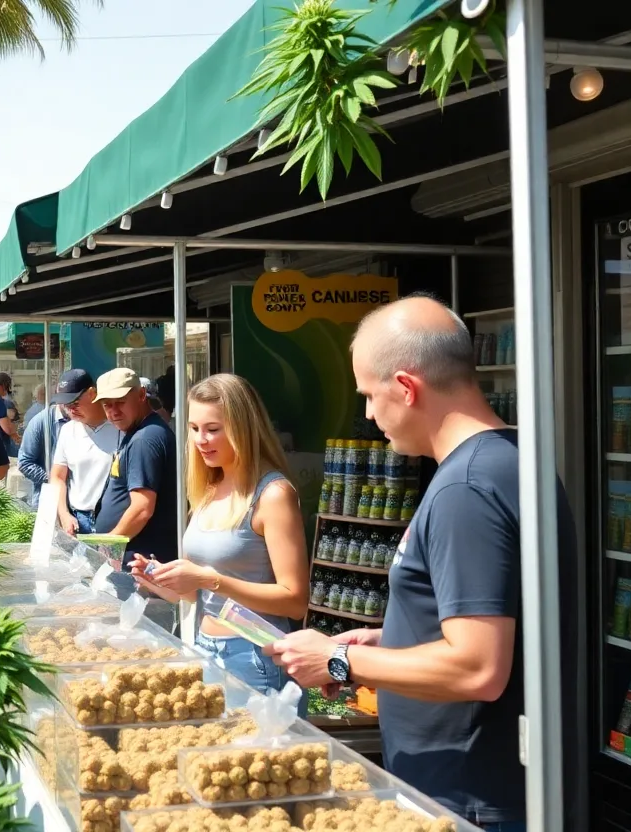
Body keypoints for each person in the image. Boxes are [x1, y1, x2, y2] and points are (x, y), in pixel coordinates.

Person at [263, 295, 575, 831]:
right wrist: (393, 641)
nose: (368, 414)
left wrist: (339, 662)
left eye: (369, 395)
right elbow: (497, 624)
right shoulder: (507, 461)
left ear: (406, 387)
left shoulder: (466, 487)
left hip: (470, 797)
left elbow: (478, 667)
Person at [129, 374, 308, 708]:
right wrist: (158, 578)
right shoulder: (209, 488)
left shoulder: (273, 494)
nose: (201, 440)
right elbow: (197, 594)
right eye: (194, 428)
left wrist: (208, 579)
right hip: (204, 646)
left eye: (213, 429)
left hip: (254, 655)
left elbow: (295, 600)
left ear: (243, 428)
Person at [92, 367, 178, 566]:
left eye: (120, 402)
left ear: (141, 395)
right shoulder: (141, 432)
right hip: (137, 558)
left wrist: (109, 547)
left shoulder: (144, 439)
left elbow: (142, 508)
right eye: (107, 405)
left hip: (141, 562)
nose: (114, 411)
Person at [50, 370, 119, 535]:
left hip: (113, 520)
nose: (71, 410)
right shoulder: (67, 431)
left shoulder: (119, 427)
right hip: (77, 521)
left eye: (74, 404)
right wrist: (64, 514)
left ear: (92, 394)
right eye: (66, 406)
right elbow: (57, 476)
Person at [16, 385, 69, 509]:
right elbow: (24, 463)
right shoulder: (40, 422)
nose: (72, 405)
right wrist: (53, 479)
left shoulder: (81, 421)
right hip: (49, 499)